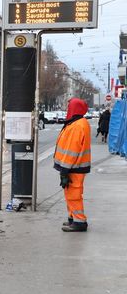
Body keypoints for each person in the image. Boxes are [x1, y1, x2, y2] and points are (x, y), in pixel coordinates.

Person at [55, 98, 91, 232]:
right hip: (75, 166)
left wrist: (64, 169)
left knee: (74, 195)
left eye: (69, 106)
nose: (67, 109)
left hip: (73, 167)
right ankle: (73, 218)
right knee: (70, 193)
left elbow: (72, 149)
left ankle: (79, 221)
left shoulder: (77, 125)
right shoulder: (78, 123)